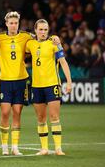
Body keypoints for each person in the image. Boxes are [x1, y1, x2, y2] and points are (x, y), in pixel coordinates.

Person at [0, 11, 60, 155]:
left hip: (21, 80)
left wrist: (54, 38)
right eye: (11, 23)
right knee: (5, 112)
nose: (13, 25)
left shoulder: (26, 36)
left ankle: (15, 147)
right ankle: (4, 146)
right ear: (6, 23)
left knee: (17, 112)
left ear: (18, 24)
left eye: (16, 23)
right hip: (5, 80)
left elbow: (41, 37)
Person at [26, 19, 72, 156]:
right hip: (37, 86)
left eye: (45, 29)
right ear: (35, 30)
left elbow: (63, 63)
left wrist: (69, 82)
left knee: (54, 116)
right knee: (41, 118)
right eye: (40, 29)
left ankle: (58, 148)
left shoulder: (54, 44)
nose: (43, 32)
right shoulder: (30, 44)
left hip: (52, 84)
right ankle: (44, 148)